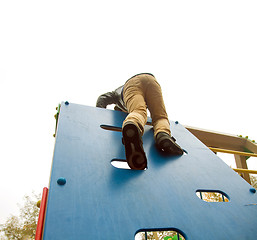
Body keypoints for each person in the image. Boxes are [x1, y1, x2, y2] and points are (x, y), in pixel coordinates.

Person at [96, 73, 183, 170]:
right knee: (160, 117)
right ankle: (163, 135)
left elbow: (103, 98)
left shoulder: (116, 95)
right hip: (151, 80)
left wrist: (101, 114)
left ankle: (133, 124)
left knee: (138, 111)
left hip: (131, 84)